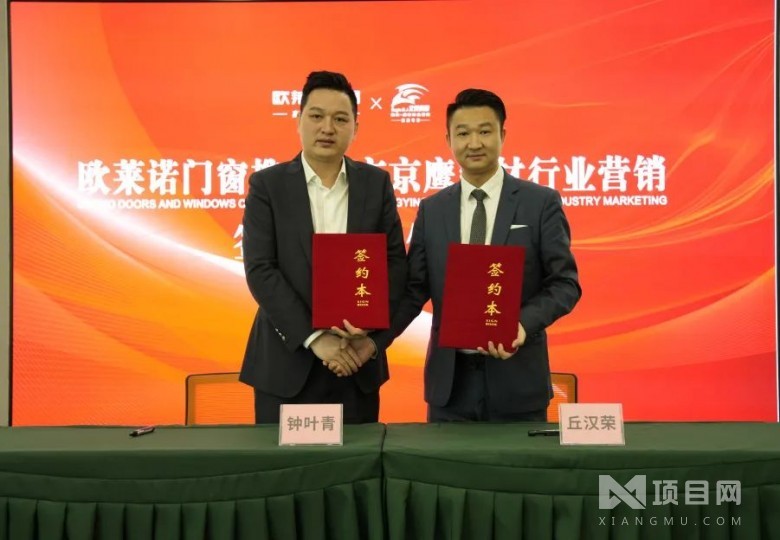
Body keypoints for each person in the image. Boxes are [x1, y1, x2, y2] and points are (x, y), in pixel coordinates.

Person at [369, 88, 582, 422]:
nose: (474, 143)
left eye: (484, 131)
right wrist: (371, 342)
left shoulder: (540, 203)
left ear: (502, 135)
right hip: (450, 388)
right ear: (448, 139)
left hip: (518, 382)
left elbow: (565, 284)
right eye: (463, 133)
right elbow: (413, 291)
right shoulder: (432, 210)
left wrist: (521, 325)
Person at [239, 71, 407, 423]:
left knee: (356, 458)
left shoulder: (376, 184)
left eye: (340, 119)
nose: (327, 128)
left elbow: (393, 264)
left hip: (356, 361)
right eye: (316, 116)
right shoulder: (268, 186)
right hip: (286, 365)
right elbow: (261, 269)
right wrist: (315, 338)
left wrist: (369, 330)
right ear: (298, 120)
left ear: (355, 127)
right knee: (286, 460)